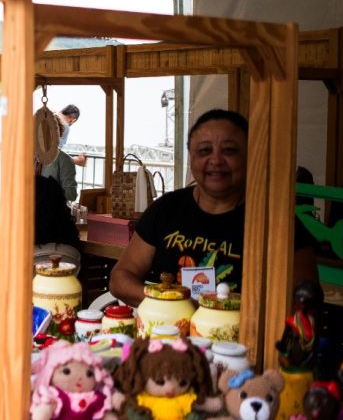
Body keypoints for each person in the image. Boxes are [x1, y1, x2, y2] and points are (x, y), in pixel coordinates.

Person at [109, 109, 317, 306]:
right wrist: (167, 301)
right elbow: (120, 278)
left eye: (229, 150)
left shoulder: (278, 224)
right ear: (191, 157)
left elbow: (303, 304)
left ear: (250, 155)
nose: (216, 160)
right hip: (168, 337)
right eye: (204, 151)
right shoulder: (165, 209)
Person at [40, 117, 78, 201]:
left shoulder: (64, 160)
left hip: (51, 211)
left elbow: (71, 194)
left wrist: (47, 190)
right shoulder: (28, 158)